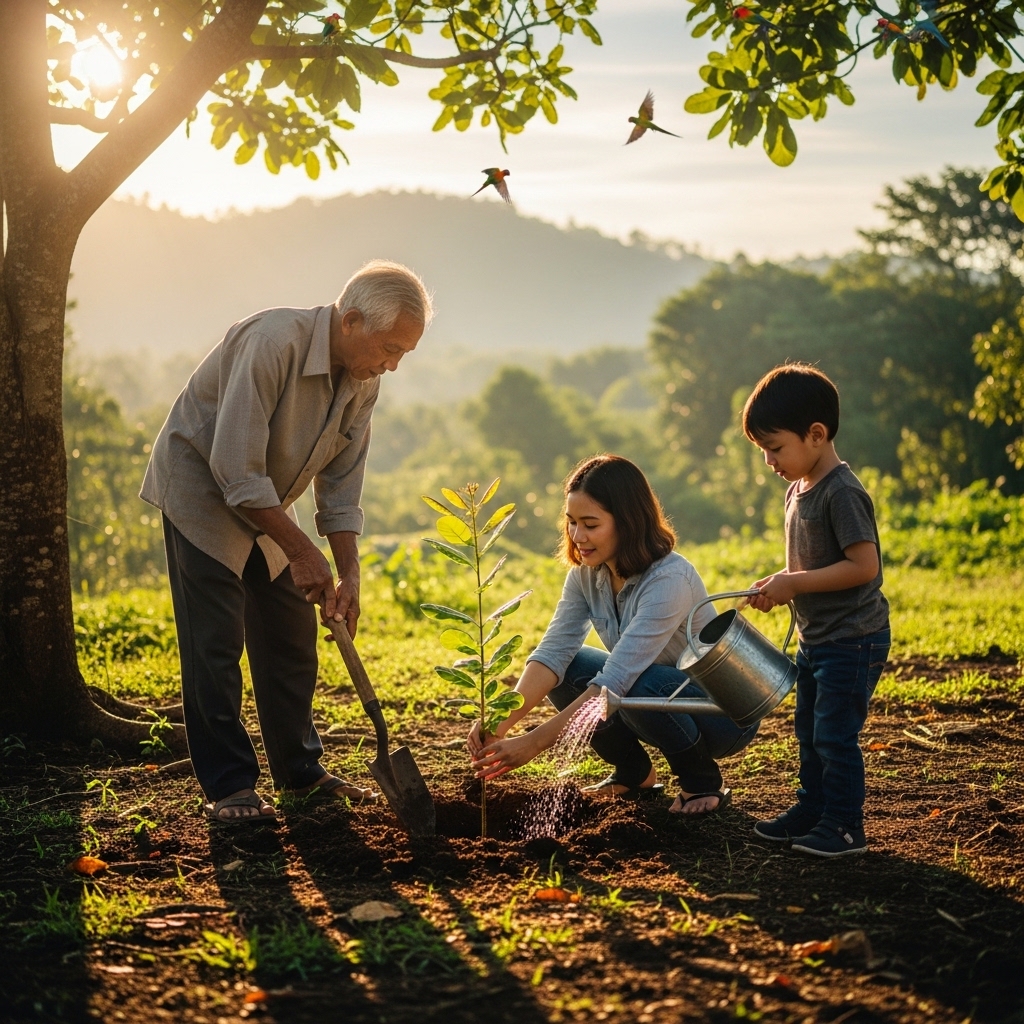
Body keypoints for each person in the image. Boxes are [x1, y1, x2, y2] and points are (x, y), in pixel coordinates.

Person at [141, 260, 433, 824]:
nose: (393, 365)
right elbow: (233, 468)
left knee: (293, 635)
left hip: (268, 499)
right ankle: (230, 787)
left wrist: (348, 573)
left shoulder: (363, 381)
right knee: (215, 643)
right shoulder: (273, 342)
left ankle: (300, 772)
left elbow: (342, 489)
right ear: (351, 321)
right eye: (390, 348)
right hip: (204, 488)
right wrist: (302, 550)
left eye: (404, 354)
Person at [469, 455, 758, 814]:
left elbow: (617, 679)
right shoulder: (586, 575)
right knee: (570, 666)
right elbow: (554, 652)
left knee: (638, 679)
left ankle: (701, 782)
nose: (577, 536)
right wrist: (501, 720)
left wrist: (534, 742)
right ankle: (634, 772)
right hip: (649, 698)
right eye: (571, 522)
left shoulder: (669, 579)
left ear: (628, 523)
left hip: (719, 715)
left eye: (590, 524)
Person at [742, 364, 890, 857]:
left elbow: (863, 565)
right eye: (762, 449)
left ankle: (845, 826)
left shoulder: (842, 492)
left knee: (834, 734)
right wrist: (778, 585)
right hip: (818, 637)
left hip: (853, 638)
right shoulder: (797, 488)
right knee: (808, 730)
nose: (768, 460)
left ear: (817, 434)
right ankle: (813, 809)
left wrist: (795, 583)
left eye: (775, 447)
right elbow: (808, 567)